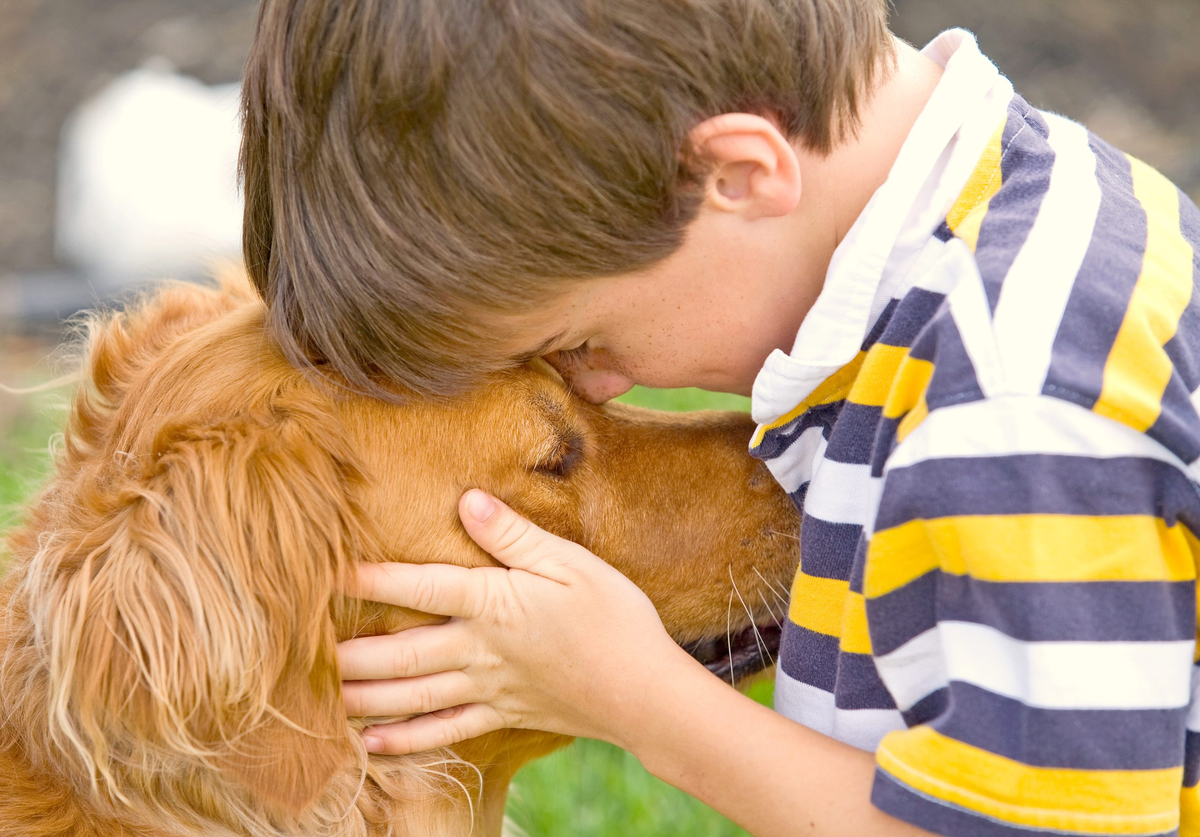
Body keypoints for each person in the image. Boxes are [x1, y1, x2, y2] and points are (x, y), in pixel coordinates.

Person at [238, 1, 1200, 834]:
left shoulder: (1012, 405)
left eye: (581, 340)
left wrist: (642, 701)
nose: (605, 384)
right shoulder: (1032, 218)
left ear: (737, 175)